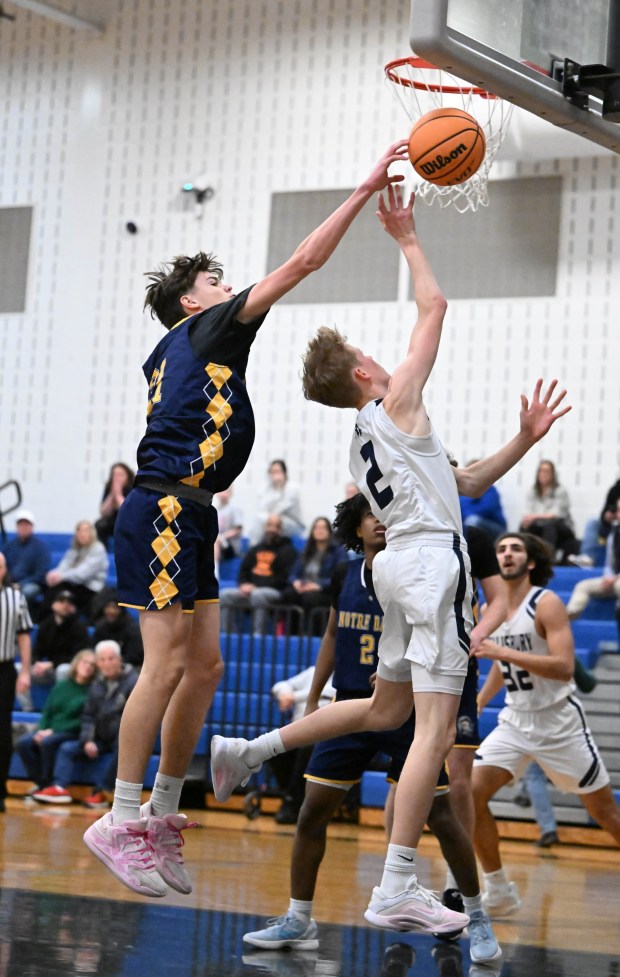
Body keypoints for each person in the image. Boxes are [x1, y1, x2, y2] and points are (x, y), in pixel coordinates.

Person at [211, 184, 571, 934]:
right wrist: (406, 236)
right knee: (433, 734)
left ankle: (249, 750)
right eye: (368, 355)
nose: (381, 356)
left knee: (387, 708)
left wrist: (525, 442)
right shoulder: (395, 398)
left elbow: (463, 482)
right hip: (432, 568)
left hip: (401, 566)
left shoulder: (372, 438)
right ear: (361, 372)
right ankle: (396, 883)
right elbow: (434, 311)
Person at [82, 140, 413, 897]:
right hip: (165, 504)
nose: (229, 286)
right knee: (164, 664)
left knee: (206, 667)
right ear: (195, 302)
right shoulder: (206, 328)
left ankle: (164, 810)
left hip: (190, 510)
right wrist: (364, 186)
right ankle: (120, 816)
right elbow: (301, 261)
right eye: (215, 281)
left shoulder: (185, 344)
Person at [242, 493, 499, 961]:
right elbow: (332, 635)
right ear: (353, 526)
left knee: (441, 817)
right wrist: (316, 693)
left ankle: (477, 915)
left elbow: (437, 635)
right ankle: (299, 918)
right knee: (311, 811)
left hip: (405, 712)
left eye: (385, 514)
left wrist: (402, 668)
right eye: (369, 515)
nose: (380, 522)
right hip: (350, 707)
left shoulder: (415, 569)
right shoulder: (346, 573)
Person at [472, 532, 620, 917]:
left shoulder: (546, 602)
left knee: (607, 815)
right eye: (501, 549)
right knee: (468, 795)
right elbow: (503, 667)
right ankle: (498, 889)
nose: (506, 554)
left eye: (515, 548)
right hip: (515, 721)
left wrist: (502, 652)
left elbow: (564, 666)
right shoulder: (493, 607)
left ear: (531, 561)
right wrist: (480, 701)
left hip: (559, 722)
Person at [32, 641, 137, 806]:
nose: (107, 663)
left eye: (111, 659)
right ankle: (59, 788)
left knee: (123, 749)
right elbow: (88, 716)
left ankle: (101, 792)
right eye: (102, 660)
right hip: (100, 738)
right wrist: (87, 740)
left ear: (119, 659)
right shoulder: (96, 684)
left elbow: (135, 719)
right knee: (67, 748)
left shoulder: (133, 682)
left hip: (122, 737)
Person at [16, 649, 97, 794]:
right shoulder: (62, 685)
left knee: (48, 742)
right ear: (77, 663)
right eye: (85, 662)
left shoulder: (93, 690)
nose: (88, 667)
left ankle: (49, 785)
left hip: (72, 732)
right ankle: (41, 783)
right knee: (24, 743)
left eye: (92, 664)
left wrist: (52, 731)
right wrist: (41, 730)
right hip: (50, 730)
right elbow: (48, 711)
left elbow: (83, 721)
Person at [267, 664, 336, 824]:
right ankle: (292, 797)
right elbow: (281, 684)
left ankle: (293, 803)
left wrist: (294, 697)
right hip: (297, 731)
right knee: (274, 747)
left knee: (308, 749)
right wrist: (285, 693)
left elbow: (328, 693)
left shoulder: (345, 678)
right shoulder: (313, 671)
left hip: (323, 734)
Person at [219, 514, 298, 633]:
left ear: (281, 530)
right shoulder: (255, 549)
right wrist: (244, 584)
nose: (272, 529)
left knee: (258, 595)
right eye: (269, 525)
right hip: (251, 590)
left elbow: (283, 579)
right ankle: (229, 635)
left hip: (275, 592)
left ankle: (258, 636)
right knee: (225, 595)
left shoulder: (289, 551)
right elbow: (243, 571)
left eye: (276, 526)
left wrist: (256, 586)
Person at [0, 552, 32, 813]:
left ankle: (0, 788)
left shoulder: (15, 597)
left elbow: (24, 636)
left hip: (4, 668)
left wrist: (25, 671)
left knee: (2, 731)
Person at [280, 516, 347, 635]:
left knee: (311, 599)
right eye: (316, 528)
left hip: (325, 591)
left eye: (323, 528)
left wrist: (318, 585)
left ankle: (313, 636)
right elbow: (293, 574)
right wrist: (295, 582)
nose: (319, 530)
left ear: (329, 532)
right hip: (304, 588)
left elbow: (340, 577)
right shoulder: (306, 551)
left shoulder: (338, 552)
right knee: (288, 595)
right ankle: (291, 635)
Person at [565, 498, 620, 621]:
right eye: (618, 510)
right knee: (583, 586)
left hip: (617, 581)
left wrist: (615, 578)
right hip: (614, 579)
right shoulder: (614, 535)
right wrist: (608, 577)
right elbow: (610, 562)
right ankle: (568, 615)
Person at [45, 520, 109, 620]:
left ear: (92, 533)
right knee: (52, 588)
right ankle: (46, 621)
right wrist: (54, 574)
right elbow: (64, 565)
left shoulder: (98, 549)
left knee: (64, 594)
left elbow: (82, 575)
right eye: (79, 531)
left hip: (90, 587)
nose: (82, 534)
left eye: (85, 531)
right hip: (74, 584)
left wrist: (61, 576)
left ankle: (60, 620)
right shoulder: (75, 548)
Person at [520, 460, 578, 563]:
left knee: (549, 525)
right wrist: (529, 520)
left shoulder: (560, 490)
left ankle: (547, 559)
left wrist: (534, 517)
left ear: (553, 474)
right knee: (524, 525)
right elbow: (527, 513)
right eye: (541, 471)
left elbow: (557, 514)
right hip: (539, 525)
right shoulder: (532, 491)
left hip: (562, 527)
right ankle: (524, 558)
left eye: (547, 471)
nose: (543, 474)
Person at [31, 590, 90, 686]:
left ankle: (60, 700)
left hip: (69, 669)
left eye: (69, 603)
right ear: (53, 604)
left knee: (63, 669)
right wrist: (36, 663)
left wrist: (52, 663)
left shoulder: (79, 627)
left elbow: (79, 656)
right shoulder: (46, 625)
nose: (65, 605)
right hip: (49, 669)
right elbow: (37, 650)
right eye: (61, 601)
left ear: (74, 608)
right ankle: (26, 702)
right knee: (20, 669)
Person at [1, 510, 51, 615]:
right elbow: (2, 565)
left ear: (32, 527)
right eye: (21, 524)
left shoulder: (40, 547)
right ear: (17, 527)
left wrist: (20, 584)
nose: (23, 527)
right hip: (9, 582)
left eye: (26, 524)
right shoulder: (10, 546)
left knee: (27, 592)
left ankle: (18, 619)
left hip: (31, 583)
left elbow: (41, 574)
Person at [252, 459, 305, 543]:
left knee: (273, 520)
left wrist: (279, 488)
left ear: (284, 473)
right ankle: (254, 548)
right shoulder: (266, 488)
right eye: (272, 472)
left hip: (292, 523)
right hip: (271, 520)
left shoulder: (292, 488)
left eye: (278, 471)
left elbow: (279, 510)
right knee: (259, 519)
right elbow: (262, 508)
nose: (275, 475)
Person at [92, 596, 144, 669]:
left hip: (127, 667)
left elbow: (135, 657)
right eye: (108, 607)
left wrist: (114, 663)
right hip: (102, 666)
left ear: (121, 610)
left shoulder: (132, 629)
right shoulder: (100, 627)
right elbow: (94, 650)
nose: (111, 611)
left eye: (114, 608)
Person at [459, 471, 507, 542]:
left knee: (472, 520)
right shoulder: (461, 493)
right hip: (470, 524)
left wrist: (466, 513)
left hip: (495, 528)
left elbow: (487, 509)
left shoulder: (490, 489)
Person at [95, 463, 135, 548]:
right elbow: (104, 512)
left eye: (120, 475)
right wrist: (112, 495)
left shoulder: (133, 489)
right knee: (99, 525)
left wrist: (118, 494)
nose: (117, 478)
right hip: (113, 520)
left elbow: (127, 511)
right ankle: (102, 553)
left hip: (129, 521)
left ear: (128, 476)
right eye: (114, 475)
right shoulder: (109, 488)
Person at [213, 487, 244, 571]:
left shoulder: (234, 509)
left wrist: (222, 537)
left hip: (230, 545)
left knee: (215, 541)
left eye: (226, 492)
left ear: (231, 494)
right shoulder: (215, 509)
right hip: (218, 542)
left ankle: (215, 573)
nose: (223, 494)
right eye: (221, 491)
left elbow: (237, 529)